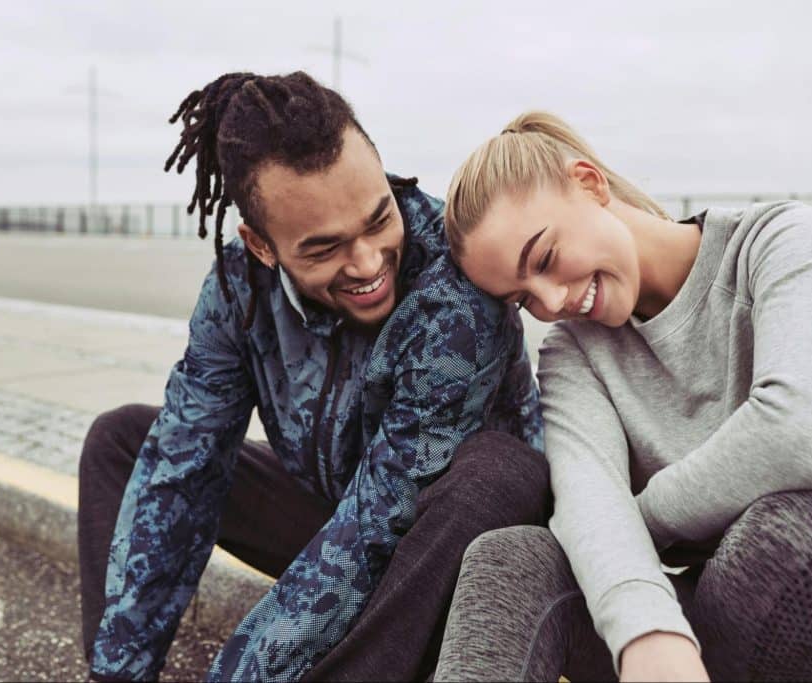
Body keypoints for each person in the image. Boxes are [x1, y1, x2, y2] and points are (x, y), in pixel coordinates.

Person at [77, 72, 548, 682]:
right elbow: (184, 463)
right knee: (124, 440)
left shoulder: (456, 297)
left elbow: (378, 526)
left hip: (445, 561)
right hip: (336, 509)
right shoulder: (238, 288)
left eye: (379, 219)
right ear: (262, 245)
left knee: (497, 474)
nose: (368, 262)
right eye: (324, 249)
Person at [433, 111, 812, 682]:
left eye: (544, 258)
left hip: (808, 591)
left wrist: (641, 516)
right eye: (523, 299)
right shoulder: (574, 352)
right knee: (511, 559)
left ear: (589, 183)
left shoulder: (786, 242)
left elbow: (802, 430)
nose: (551, 302)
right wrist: (648, 631)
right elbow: (588, 498)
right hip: (699, 630)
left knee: (788, 529)